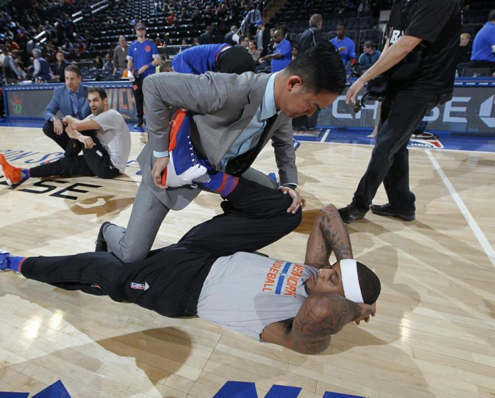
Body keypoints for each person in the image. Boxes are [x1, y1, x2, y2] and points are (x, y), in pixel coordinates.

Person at [0, 167, 380, 354]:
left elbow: (324, 312)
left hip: (180, 290)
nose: (320, 273)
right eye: (330, 269)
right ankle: (206, 174)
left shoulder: (304, 328)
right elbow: (326, 216)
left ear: (341, 304)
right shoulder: (316, 277)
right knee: (282, 210)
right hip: (205, 251)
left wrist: (353, 306)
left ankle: (10, 262)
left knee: (100, 272)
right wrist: (345, 273)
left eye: (330, 279)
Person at [102, 42, 346, 262]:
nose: (310, 114)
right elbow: (154, 85)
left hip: (220, 170)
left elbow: (284, 146)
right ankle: (106, 231)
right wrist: (159, 152)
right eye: (313, 106)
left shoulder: (285, 107)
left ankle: (223, 240)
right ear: (294, 84)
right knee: (131, 254)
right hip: (173, 167)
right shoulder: (230, 89)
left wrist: (290, 185)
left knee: (280, 203)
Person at [338, 0, 461, 224]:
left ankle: (358, 205)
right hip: (399, 81)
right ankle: (402, 204)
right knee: (395, 146)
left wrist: (363, 79)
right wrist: (379, 75)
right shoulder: (399, 4)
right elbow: (391, 42)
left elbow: (405, 45)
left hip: (423, 84)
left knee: (385, 144)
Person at [0, 87, 131, 185]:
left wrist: (68, 118)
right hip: (100, 161)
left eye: (95, 100)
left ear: (105, 101)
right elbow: (69, 130)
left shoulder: (112, 115)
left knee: (85, 130)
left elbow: (76, 126)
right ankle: (21, 174)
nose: (92, 104)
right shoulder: (93, 117)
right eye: (90, 101)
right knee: (66, 165)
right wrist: (80, 138)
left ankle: (65, 158)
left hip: (111, 167)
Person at [42, 64, 91, 152]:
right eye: (66, 78)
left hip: (86, 127)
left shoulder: (89, 92)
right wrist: (54, 118)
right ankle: (73, 149)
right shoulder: (59, 92)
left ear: (79, 79)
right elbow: (47, 111)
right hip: (70, 128)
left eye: (72, 79)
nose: (69, 82)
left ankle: (71, 152)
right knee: (47, 127)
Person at [127, 22, 161, 129]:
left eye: (142, 29)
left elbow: (158, 60)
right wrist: (128, 71)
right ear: (136, 32)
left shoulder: (151, 45)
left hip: (149, 76)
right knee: (138, 100)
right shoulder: (132, 46)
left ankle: (152, 121)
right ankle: (140, 121)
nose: (140, 31)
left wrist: (146, 66)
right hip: (137, 77)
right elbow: (129, 61)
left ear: (145, 31)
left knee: (151, 99)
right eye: (138, 29)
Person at [296, 14, 324, 131]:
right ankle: (309, 124)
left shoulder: (304, 34)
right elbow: (316, 50)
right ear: (320, 23)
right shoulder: (315, 32)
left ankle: (298, 124)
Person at [171, 43, 256, 74]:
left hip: (227, 58)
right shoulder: (186, 55)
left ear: (168, 70)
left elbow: (190, 82)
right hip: (243, 54)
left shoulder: (175, 61)